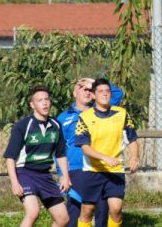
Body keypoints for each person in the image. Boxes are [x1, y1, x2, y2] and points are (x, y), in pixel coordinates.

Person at [57, 78, 125, 227]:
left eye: (90, 89)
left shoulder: (102, 109)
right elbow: (58, 149)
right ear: (74, 92)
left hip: (98, 168)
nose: (87, 91)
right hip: (75, 170)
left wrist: (94, 82)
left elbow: (118, 94)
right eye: (82, 88)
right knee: (76, 212)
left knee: (101, 209)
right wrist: (62, 175)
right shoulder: (63, 118)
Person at [74, 78, 139, 227]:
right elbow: (84, 147)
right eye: (100, 91)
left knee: (116, 209)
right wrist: (104, 158)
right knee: (87, 210)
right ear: (94, 95)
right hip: (93, 170)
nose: (104, 94)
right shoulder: (84, 117)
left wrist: (135, 157)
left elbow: (132, 139)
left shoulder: (122, 114)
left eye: (107, 91)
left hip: (115, 170)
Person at [4, 85, 71, 227]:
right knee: (33, 212)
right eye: (40, 100)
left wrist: (65, 176)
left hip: (45, 176)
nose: (45, 103)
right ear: (32, 105)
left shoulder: (56, 125)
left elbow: (61, 154)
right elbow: (10, 158)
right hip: (25, 173)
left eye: (47, 99)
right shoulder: (23, 126)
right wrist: (14, 183)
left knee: (63, 219)